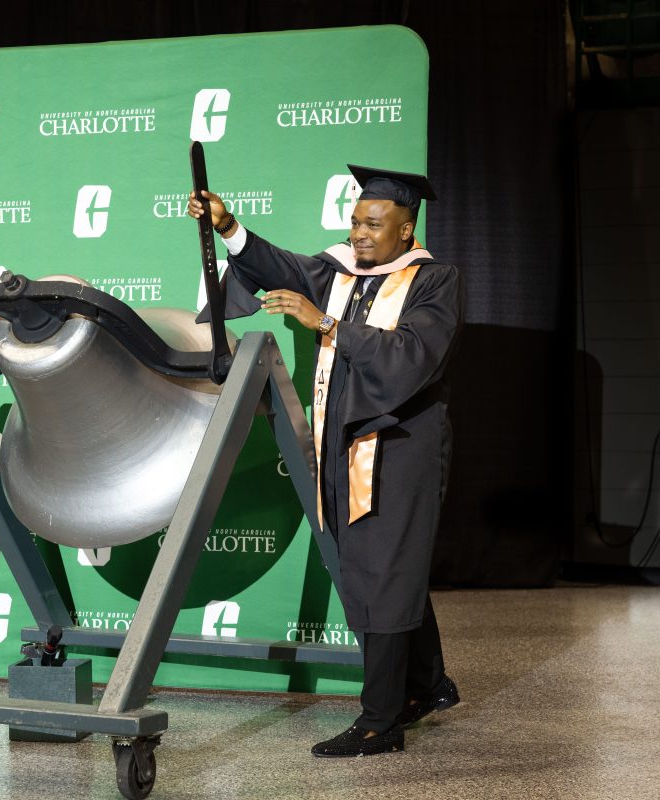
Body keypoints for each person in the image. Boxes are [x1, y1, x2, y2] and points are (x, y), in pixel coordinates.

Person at [188, 165, 463, 757]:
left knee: (385, 570)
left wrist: (326, 324)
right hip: (341, 444)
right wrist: (229, 225)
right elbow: (280, 268)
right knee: (381, 565)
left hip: (399, 450)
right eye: (356, 221)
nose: (359, 233)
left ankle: (379, 722)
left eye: (373, 224)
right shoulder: (341, 271)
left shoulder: (434, 281)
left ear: (406, 229)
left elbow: (413, 355)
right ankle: (426, 685)